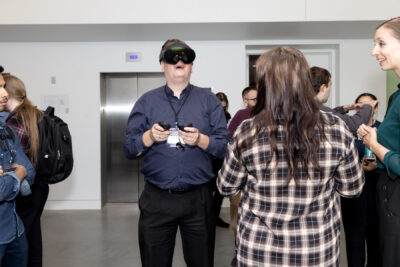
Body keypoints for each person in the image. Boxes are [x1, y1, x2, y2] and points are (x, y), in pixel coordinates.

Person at [218, 46, 364, 267]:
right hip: (315, 251)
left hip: (259, 252)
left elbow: (226, 186)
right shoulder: (336, 128)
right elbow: (352, 188)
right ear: (305, 82)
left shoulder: (247, 130)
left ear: (264, 85)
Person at [124, 39, 229, 267]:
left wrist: (201, 140)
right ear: (162, 65)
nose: (179, 61)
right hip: (157, 199)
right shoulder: (146, 102)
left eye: (186, 58)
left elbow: (225, 148)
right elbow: (130, 148)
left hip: (198, 199)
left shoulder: (209, 101)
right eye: (173, 57)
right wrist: (149, 137)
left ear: (192, 66)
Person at [357, 17, 400, 267]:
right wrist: (379, 161)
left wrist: (375, 146)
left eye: (381, 44)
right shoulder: (396, 95)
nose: (374, 52)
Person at [3, 74, 47, 267]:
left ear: (9, 94)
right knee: (33, 237)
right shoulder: (36, 114)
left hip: (25, 190)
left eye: (4, 88)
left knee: (25, 238)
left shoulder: (12, 123)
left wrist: (9, 173)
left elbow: (20, 166)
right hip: (39, 186)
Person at [0, 66, 36, 267]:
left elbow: (29, 171)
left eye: (4, 87)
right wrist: (16, 175)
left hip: (14, 230)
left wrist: (7, 174)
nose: (4, 94)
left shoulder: (6, 128)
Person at [341, 93, 381, 267]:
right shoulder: (348, 130)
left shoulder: (383, 128)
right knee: (354, 241)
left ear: (375, 108)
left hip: (377, 190)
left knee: (376, 241)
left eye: (368, 105)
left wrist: (376, 161)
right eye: (360, 106)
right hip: (352, 194)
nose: (364, 109)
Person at [226, 86, 257, 266]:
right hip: (240, 178)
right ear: (245, 101)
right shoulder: (240, 115)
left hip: (260, 181)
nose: (258, 102)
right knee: (237, 218)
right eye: (254, 100)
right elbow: (229, 140)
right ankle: (239, 250)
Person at [311, 66, 376, 135]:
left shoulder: (308, 107)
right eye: (330, 85)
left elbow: (328, 116)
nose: (330, 90)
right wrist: (368, 106)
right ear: (323, 88)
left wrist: (344, 108)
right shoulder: (319, 110)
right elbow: (355, 124)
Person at [212, 92, 231, 228]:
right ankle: (207, 217)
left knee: (220, 190)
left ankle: (215, 216)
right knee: (208, 189)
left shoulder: (228, 116)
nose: (222, 111)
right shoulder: (208, 116)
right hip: (209, 157)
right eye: (220, 108)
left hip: (223, 157)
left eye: (224, 108)